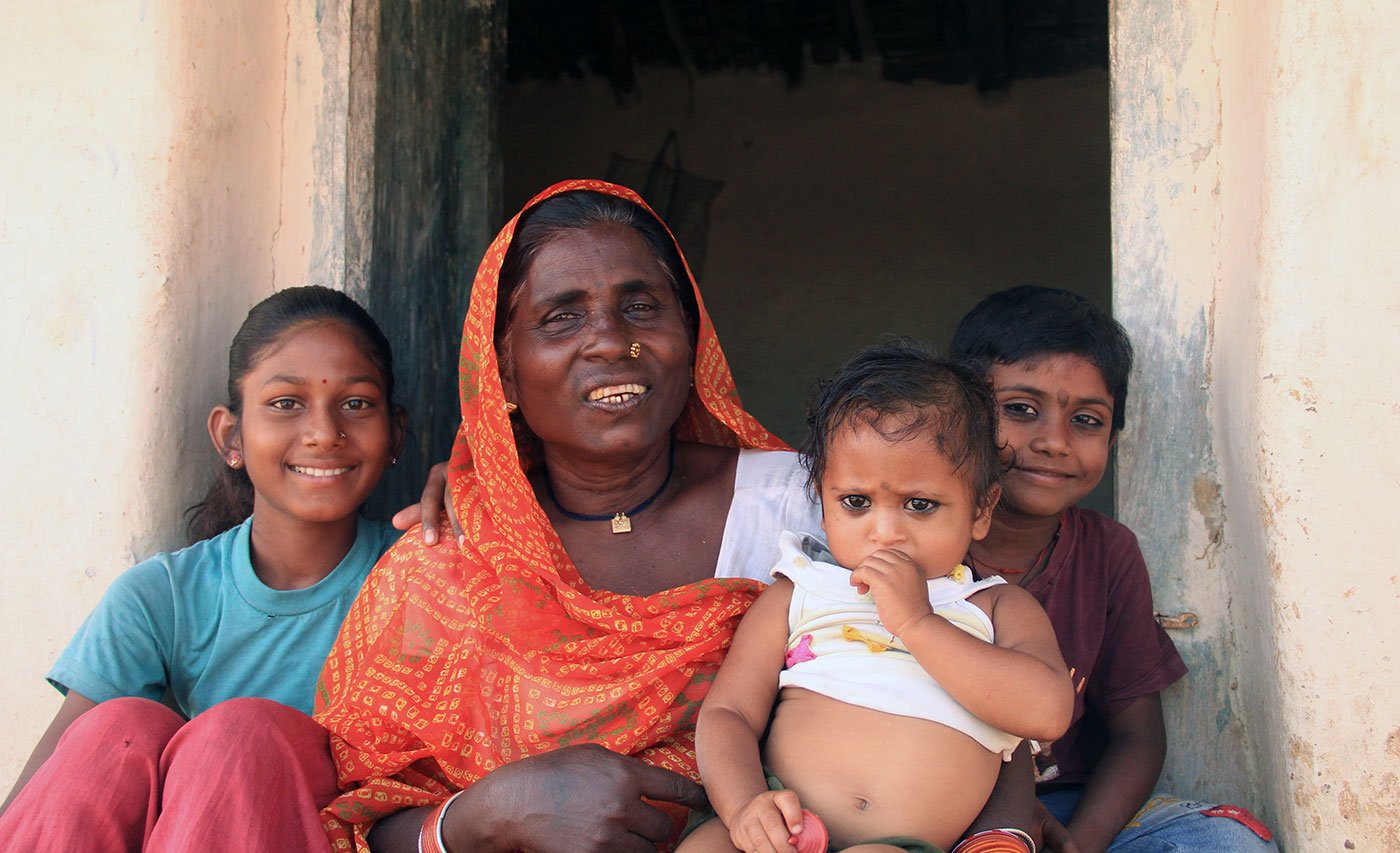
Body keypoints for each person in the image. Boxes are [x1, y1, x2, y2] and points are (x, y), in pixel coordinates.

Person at [311, 181, 1041, 853]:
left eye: (642, 306)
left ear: (691, 339)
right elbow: (356, 817)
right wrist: (488, 813)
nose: (609, 339)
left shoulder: (807, 505)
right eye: (561, 316)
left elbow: (965, 667)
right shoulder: (449, 557)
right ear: (501, 365)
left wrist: (1006, 831)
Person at [0, 286, 407, 850]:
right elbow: (42, 803)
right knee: (115, 732)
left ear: (396, 435)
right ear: (230, 436)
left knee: (239, 738)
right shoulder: (162, 596)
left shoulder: (422, 581)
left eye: (357, 403)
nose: (323, 432)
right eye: (286, 403)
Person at [680, 342, 1073, 853]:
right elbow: (728, 713)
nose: (885, 531)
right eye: (856, 502)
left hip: (898, 844)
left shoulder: (994, 608)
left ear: (981, 509)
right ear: (822, 503)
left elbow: (1046, 712)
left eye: (919, 504)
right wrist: (743, 805)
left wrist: (918, 623)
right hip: (780, 822)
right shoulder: (799, 591)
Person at [949, 286, 1277, 853]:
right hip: (931, 806)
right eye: (1020, 410)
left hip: (1066, 808)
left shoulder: (1107, 552)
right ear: (958, 413)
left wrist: (1080, 843)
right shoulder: (914, 544)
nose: (1054, 441)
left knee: (1226, 842)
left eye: (1087, 419)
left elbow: (1137, 737)